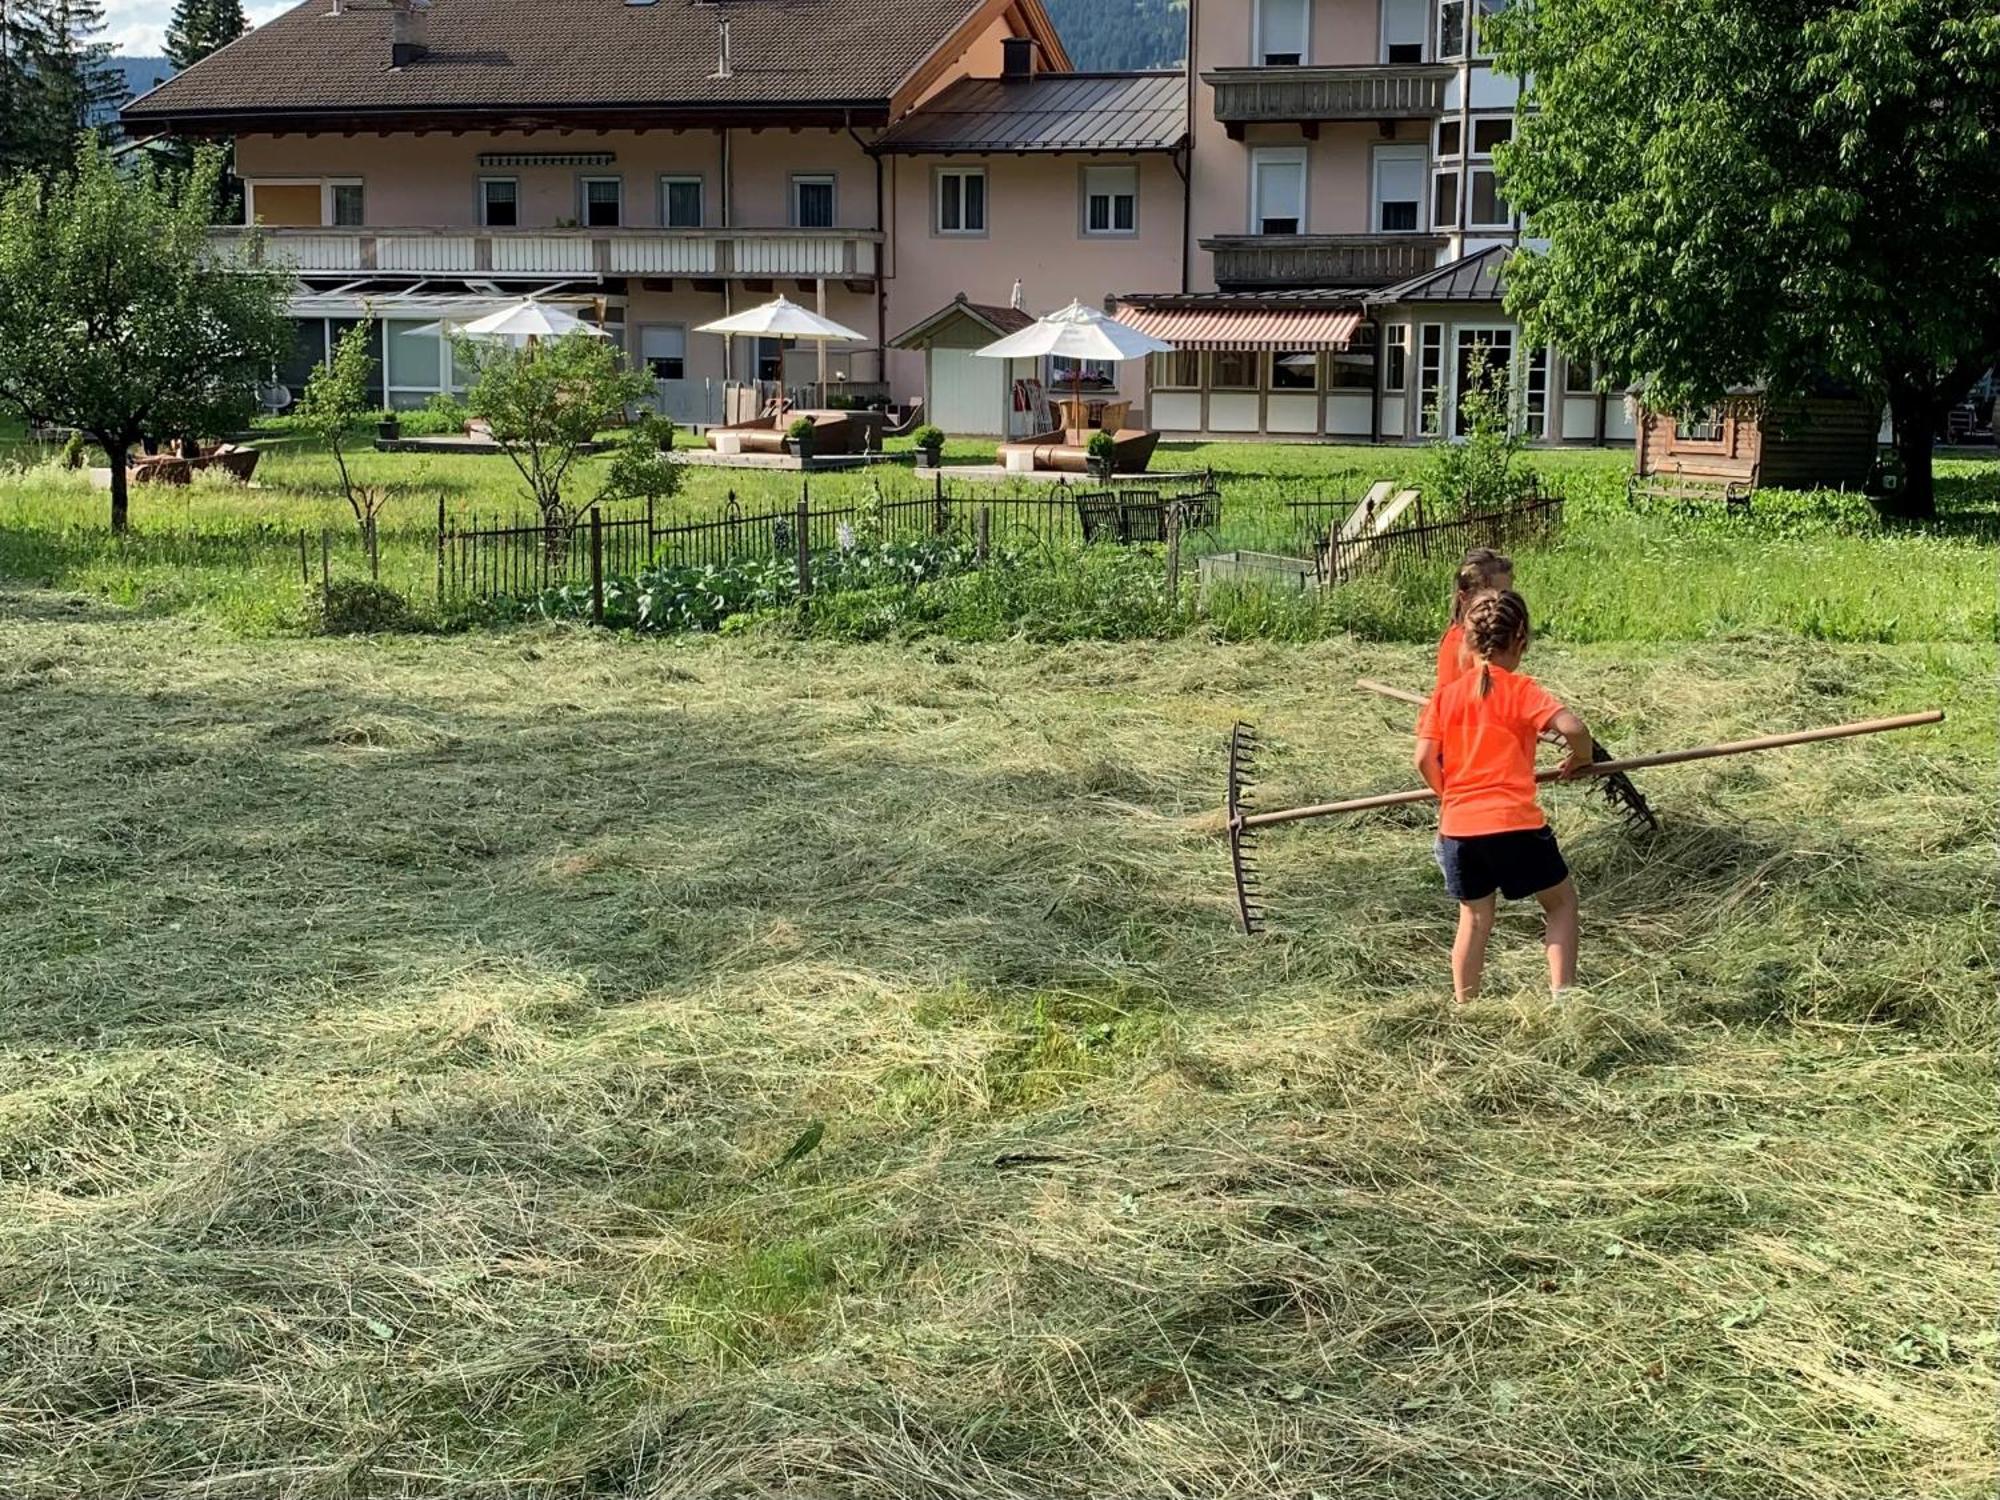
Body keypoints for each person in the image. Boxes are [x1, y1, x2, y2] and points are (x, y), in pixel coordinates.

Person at [1414, 589, 1594, 1002]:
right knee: (1561, 903)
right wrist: (1579, 758)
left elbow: (1424, 758)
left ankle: (1466, 1006)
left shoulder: (1444, 697)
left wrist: (1449, 795)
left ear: (1469, 641)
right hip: (1514, 825)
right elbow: (1574, 728)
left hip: (1459, 830)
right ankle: (1563, 999)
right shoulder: (1521, 689)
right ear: (1521, 641)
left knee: (1475, 919)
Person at [1436, 548, 1514, 687]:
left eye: (1506, 594)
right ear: (1465, 598)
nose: (1501, 603)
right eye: (1490, 595)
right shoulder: (1461, 641)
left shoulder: (1491, 635)